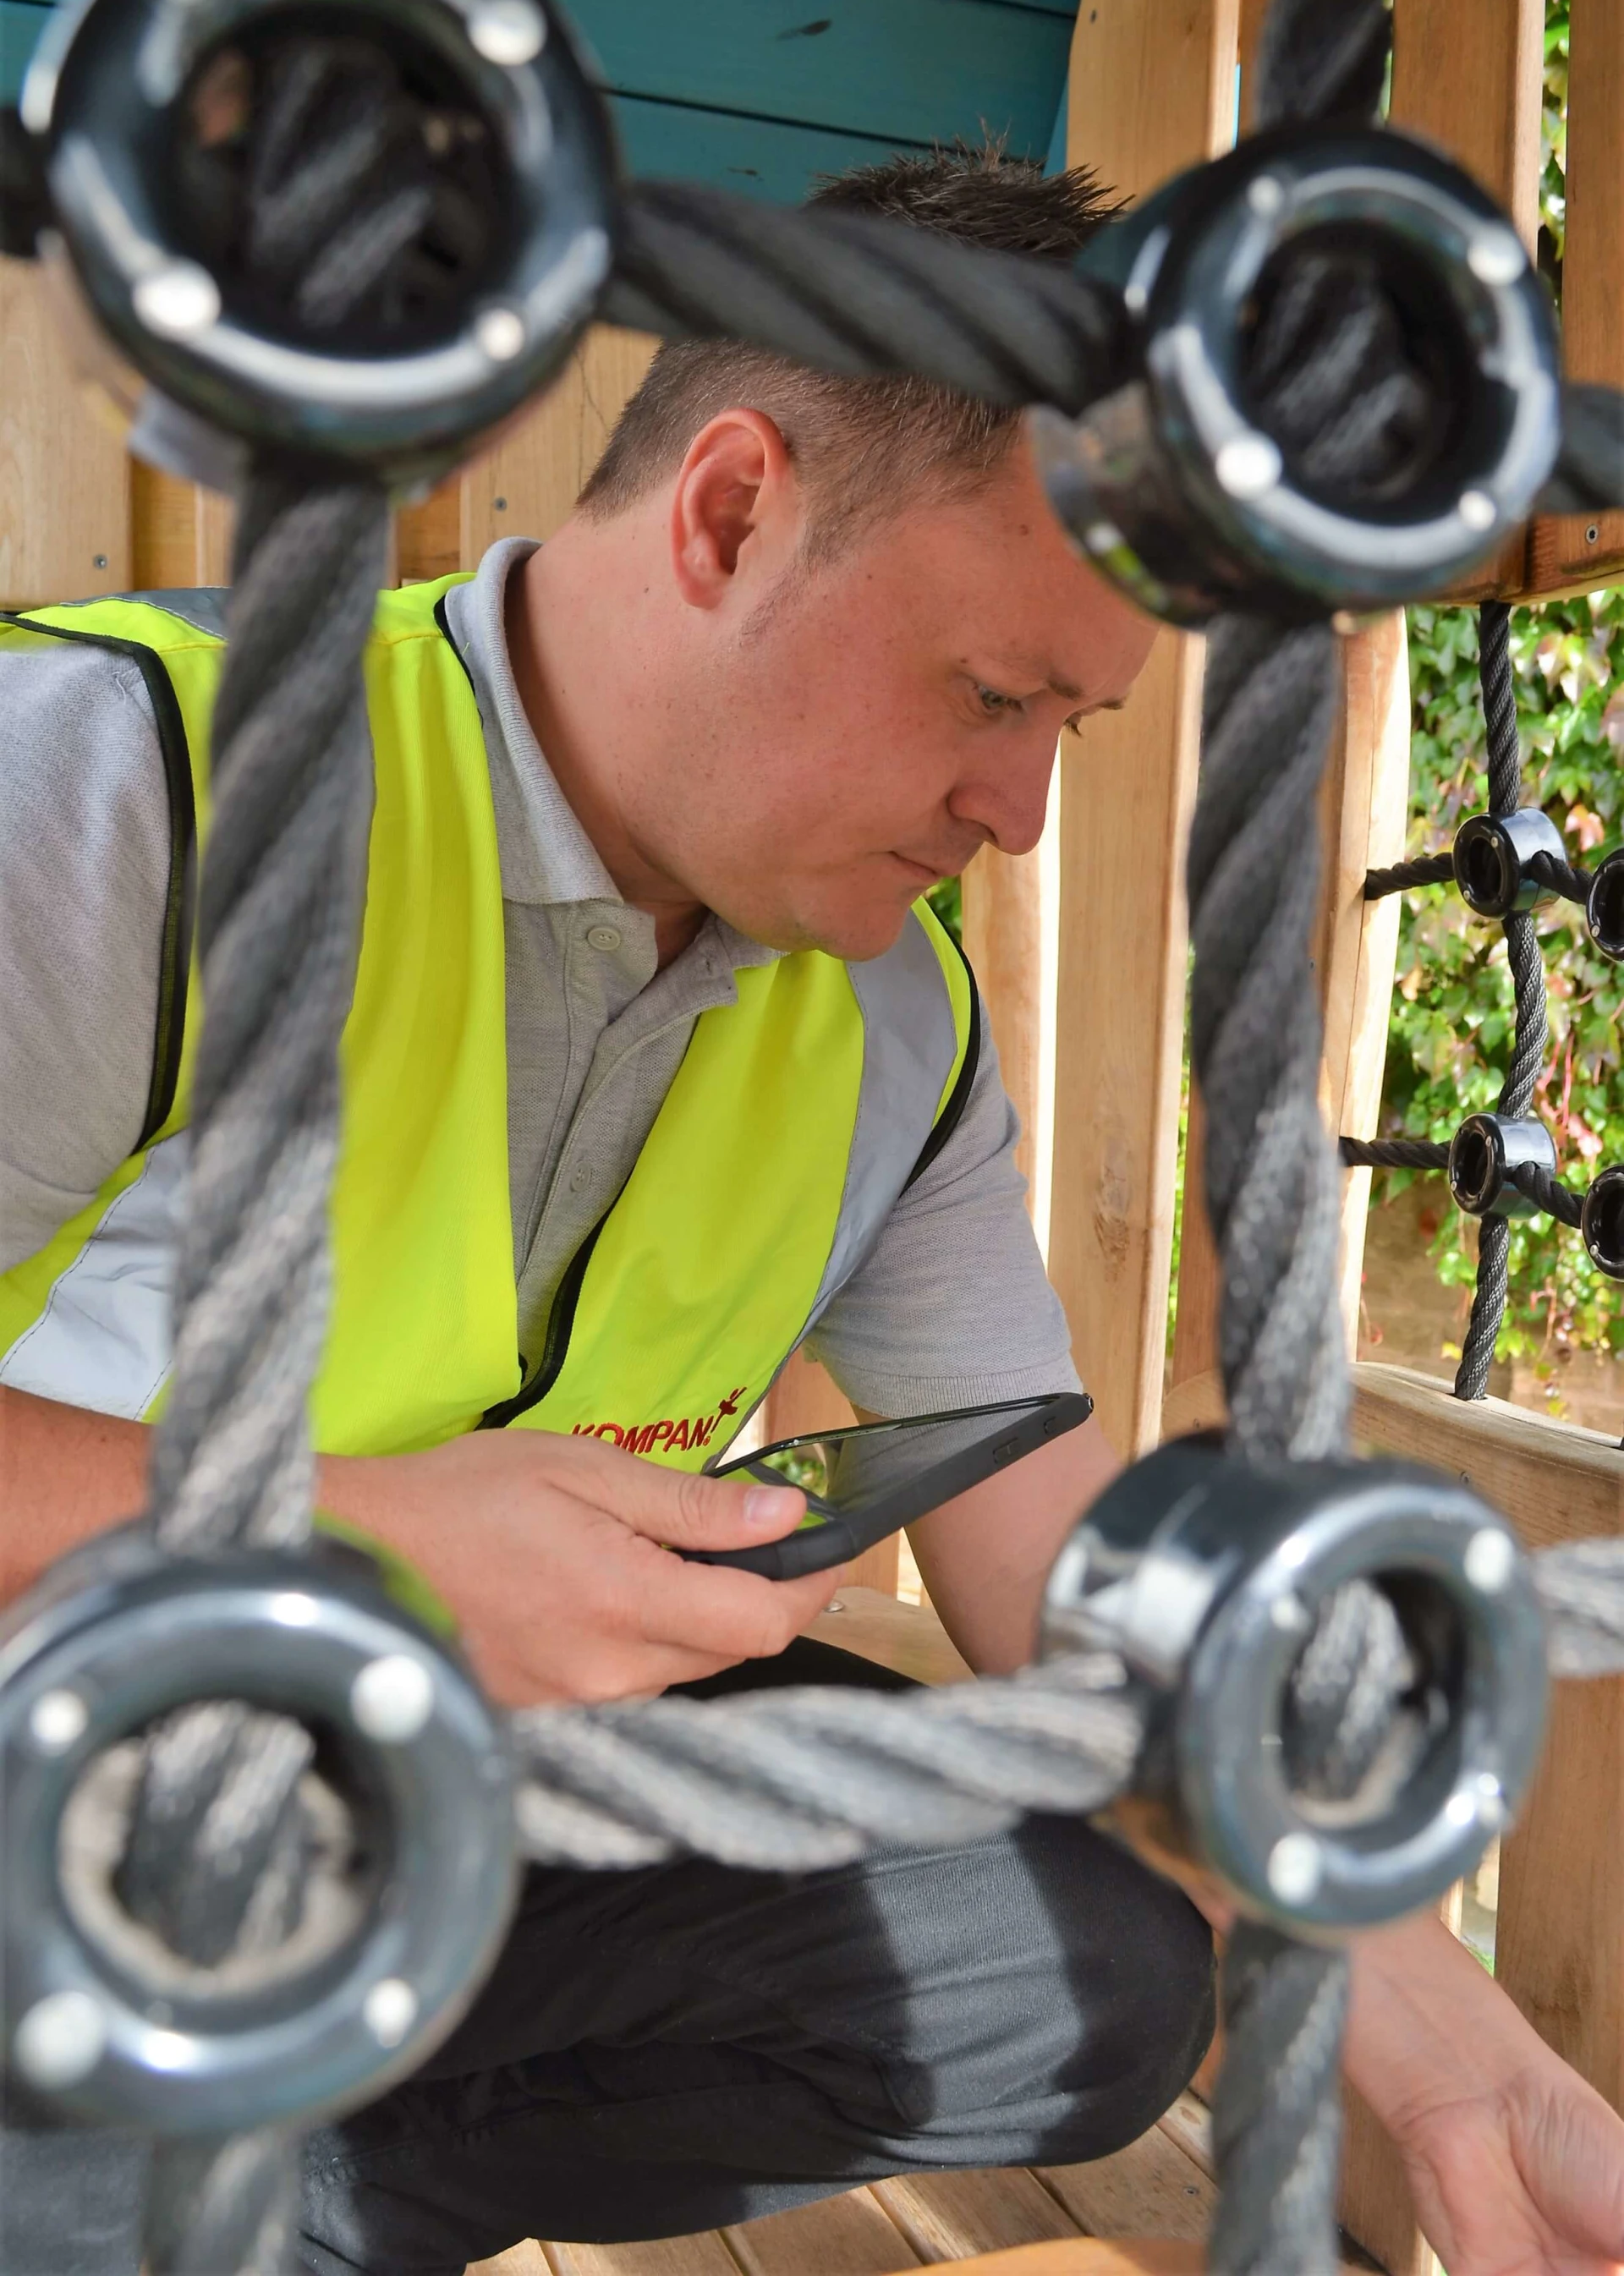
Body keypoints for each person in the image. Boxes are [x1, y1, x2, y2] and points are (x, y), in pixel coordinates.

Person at [1, 146, 1620, 2276]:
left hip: (444, 1820)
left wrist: (1451, 2051)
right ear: (731, 511)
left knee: (1089, 1958)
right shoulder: (127, 779)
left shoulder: (899, 1012)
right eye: (992, 693)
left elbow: (1068, 1563)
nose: (1023, 812)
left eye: (1077, 720)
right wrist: (338, 1537)